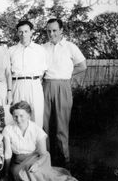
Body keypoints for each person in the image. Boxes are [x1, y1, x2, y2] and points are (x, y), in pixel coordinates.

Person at [42, 18, 87, 168]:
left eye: (54, 30)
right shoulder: (43, 48)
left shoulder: (70, 47)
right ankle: (46, 158)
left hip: (63, 86)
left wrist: (68, 74)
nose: (51, 33)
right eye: (48, 31)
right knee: (44, 124)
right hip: (46, 85)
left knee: (62, 125)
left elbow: (82, 65)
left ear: (61, 30)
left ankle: (64, 160)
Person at [2, 101, 78, 181]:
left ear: (29, 116)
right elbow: (8, 153)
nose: (18, 119)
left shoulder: (36, 130)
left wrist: (37, 164)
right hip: (18, 163)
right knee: (25, 173)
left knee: (36, 172)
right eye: (15, 116)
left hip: (37, 159)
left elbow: (43, 154)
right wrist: (6, 173)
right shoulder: (8, 129)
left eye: (21, 116)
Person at [9, 20, 47, 128]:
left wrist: (34, 81)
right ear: (17, 33)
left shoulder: (40, 50)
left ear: (31, 32)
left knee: (36, 116)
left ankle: (36, 144)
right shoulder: (11, 50)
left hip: (34, 84)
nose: (23, 34)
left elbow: (43, 71)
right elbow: (8, 71)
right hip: (17, 84)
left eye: (26, 31)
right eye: (20, 32)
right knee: (17, 116)